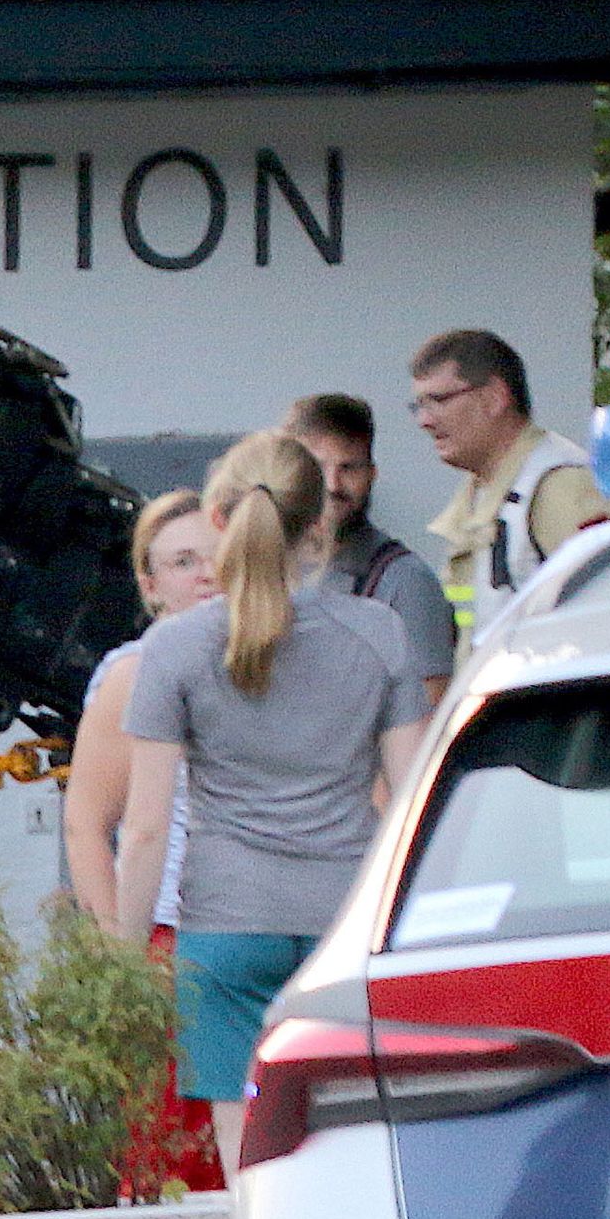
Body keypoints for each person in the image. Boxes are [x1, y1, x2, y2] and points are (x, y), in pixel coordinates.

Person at [108, 434, 429, 1172]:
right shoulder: (377, 631)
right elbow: (413, 801)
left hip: (225, 926)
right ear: (319, 525)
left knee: (242, 1145)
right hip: (345, 922)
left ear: (219, 520)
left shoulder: (175, 648)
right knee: (354, 1140)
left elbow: (148, 824)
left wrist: (125, 960)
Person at [62, 490, 216, 939]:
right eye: (183, 563)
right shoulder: (132, 673)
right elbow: (86, 823)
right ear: (150, 585)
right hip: (169, 926)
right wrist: (121, 947)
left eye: (218, 557)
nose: (206, 575)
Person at [410, 328, 601, 649]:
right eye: (418, 405)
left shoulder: (559, 485)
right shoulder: (486, 489)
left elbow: (607, 618)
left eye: (439, 400)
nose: (424, 420)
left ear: (495, 397)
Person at [285, 392, 454, 701]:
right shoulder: (262, 565)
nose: (333, 485)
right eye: (318, 467)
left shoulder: (403, 580)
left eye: (349, 468)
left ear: (372, 474)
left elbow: (429, 711)